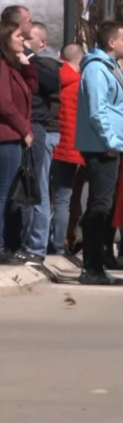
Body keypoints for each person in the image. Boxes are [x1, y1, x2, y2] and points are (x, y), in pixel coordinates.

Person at [75, 21, 123, 285]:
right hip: (102, 148)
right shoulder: (97, 69)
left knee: (103, 206)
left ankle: (96, 265)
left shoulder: (109, 67)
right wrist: (110, 141)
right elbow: (98, 110)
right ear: (112, 42)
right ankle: (91, 267)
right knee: (99, 207)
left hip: (112, 145)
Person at [17, 22, 61, 264]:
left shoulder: (44, 64)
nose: (22, 40)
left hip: (41, 131)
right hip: (26, 130)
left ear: (41, 43)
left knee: (39, 189)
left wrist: (27, 62)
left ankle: (36, 247)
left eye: (28, 37)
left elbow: (52, 84)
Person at [0, 21, 37, 265]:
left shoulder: (12, 66)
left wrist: (27, 66)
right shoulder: (2, 66)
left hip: (15, 139)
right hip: (7, 138)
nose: (22, 41)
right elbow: (4, 103)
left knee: (8, 197)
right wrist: (24, 130)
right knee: (3, 195)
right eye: (17, 36)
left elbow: (31, 88)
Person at [51, 44, 86, 257]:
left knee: (49, 198)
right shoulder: (81, 85)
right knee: (65, 199)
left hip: (53, 144)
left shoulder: (54, 79)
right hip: (73, 149)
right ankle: (59, 245)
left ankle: (50, 241)